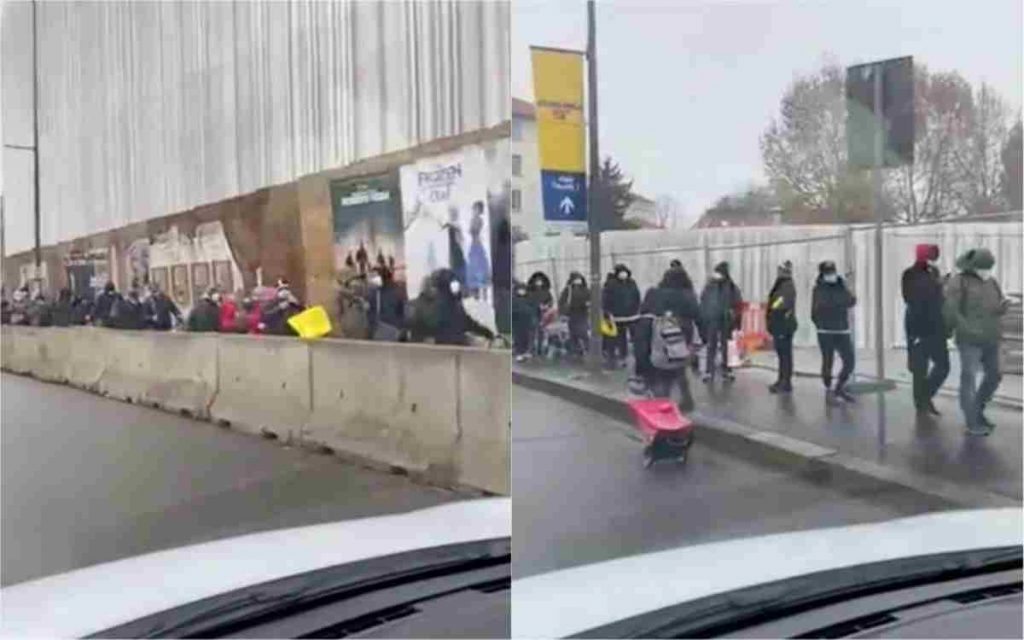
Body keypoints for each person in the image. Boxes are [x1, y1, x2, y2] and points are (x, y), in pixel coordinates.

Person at [943, 248, 1007, 436]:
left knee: (995, 374)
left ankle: (977, 410)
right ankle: (972, 421)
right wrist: (966, 328)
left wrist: (1002, 307)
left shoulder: (992, 282)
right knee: (969, 378)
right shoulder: (959, 281)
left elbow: (996, 305)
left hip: (992, 336)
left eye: (989, 267)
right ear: (972, 267)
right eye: (983, 267)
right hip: (970, 340)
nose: (986, 271)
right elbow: (951, 311)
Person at [632, 266, 700, 412]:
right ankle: (686, 402)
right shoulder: (687, 295)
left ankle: (663, 407)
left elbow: (644, 313)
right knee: (679, 369)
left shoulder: (653, 293)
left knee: (661, 374)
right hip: (681, 339)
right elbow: (696, 314)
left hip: (657, 339)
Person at [902, 244, 950, 415]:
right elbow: (911, 298)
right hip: (918, 327)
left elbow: (938, 299)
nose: (932, 259)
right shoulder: (909, 274)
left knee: (943, 366)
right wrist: (937, 286)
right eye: (930, 255)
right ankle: (921, 404)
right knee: (919, 370)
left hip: (936, 326)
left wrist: (943, 288)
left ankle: (925, 395)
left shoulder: (934, 272)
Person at [811, 260, 857, 404]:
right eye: (828, 272)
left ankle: (839, 388)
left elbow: (852, 300)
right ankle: (829, 390)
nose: (831, 275)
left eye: (832, 272)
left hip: (842, 329)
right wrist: (821, 323)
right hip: (825, 331)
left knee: (849, 361)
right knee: (827, 361)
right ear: (822, 274)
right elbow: (819, 308)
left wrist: (842, 293)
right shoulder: (819, 288)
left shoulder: (841, 285)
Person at [425, 268, 494, 346]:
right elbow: (468, 323)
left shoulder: (434, 305)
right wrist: (489, 334)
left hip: (442, 350)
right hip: (457, 348)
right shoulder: (453, 306)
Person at [699, 261, 743, 382]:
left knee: (726, 346)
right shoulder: (710, 286)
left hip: (726, 320)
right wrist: (704, 317)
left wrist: (735, 318)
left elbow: (737, 303)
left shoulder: (731, 287)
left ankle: (726, 370)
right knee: (711, 345)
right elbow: (704, 301)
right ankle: (709, 371)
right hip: (713, 319)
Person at [766, 260, 797, 394]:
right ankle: (782, 379)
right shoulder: (783, 284)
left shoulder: (787, 285)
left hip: (783, 324)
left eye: (780, 269)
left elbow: (781, 303)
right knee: (782, 354)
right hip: (780, 324)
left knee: (785, 355)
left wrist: (773, 308)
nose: (778, 272)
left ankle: (785, 382)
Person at [602, 264, 641, 367]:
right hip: (617, 316)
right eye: (621, 272)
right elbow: (606, 299)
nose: (623, 274)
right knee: (619, 337)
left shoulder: (632, 283)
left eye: (625, 272)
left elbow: (637, 296)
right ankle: (618, 357)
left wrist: (637, 309)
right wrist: (608, 312)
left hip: (631, 315)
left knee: (633, 337)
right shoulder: (611, 284)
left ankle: (626, 356)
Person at [367, 266, 406, 341]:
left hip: (391, 333)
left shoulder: (396, 293)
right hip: (382, 332)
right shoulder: (374, 293)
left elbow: (402, 313)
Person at [558, 271, 590, 358]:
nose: (578, 281)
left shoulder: (585, 289)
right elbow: (561, 302)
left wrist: (588, 304)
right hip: (571, 314)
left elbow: (590, 299)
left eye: (579, 279)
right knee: (573, 333)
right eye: (576, 279)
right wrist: (563, 313)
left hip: (582, 313)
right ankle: (576, 350)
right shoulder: (568, 290)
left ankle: (587, 348)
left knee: (583, 332)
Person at [466, 201, 491, 302]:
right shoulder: (475, 219)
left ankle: (483, 297)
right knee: (475, 269)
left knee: (479, 268)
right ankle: (477, 297)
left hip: (477, 245)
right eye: (474, 209)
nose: (474, 211)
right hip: (475, 245)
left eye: (475, 209)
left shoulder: (478, 220)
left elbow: (472, 230)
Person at [526, 271, 554, 356]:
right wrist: (538, 305)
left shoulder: (546, 292)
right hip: (533, 313)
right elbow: (528, 301)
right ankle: (531, 349)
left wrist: (547, 306)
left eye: (540, 281)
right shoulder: (530, 291)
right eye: (537, 281)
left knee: (541, 331)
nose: (539, 283)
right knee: (532, 331)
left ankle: (539, 349)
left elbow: (550, 301)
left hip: (543, 314)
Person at [511, 281, 537, 362]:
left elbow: (534, 309)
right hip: (517, 322)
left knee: (527, 337)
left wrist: (533, 318)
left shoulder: (529, 299)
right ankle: (519, 353)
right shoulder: (514, 299)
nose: (522, 291)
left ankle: (527, 352)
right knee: (518, 338)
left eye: (523, 289)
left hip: (527, 321)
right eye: (520, 289)